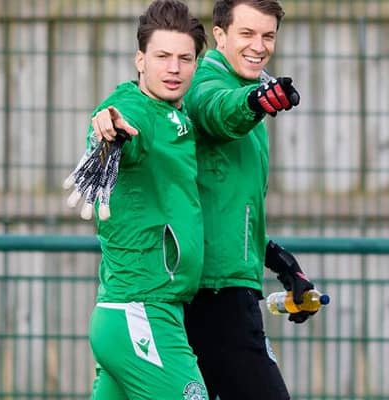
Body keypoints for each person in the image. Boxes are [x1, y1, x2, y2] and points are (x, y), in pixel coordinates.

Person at [93, 1, 316, 399]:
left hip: (181, 299)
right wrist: (254, 103)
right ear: (220, 36)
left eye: (268, 35)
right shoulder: (202, 87)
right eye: (247, 34)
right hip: (200, 298)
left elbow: (217, 209)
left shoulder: (186, 108)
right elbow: (216, 111)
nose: (258, 45)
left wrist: (278, 260)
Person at [76, 1, 209, 399]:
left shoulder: (178, 118)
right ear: (140, 60)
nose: (174, 68)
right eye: (162, 56)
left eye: (185, 58)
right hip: (142, 311)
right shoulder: (138, 111)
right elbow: (118, 120)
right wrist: (107, 127)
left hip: (132, 313)